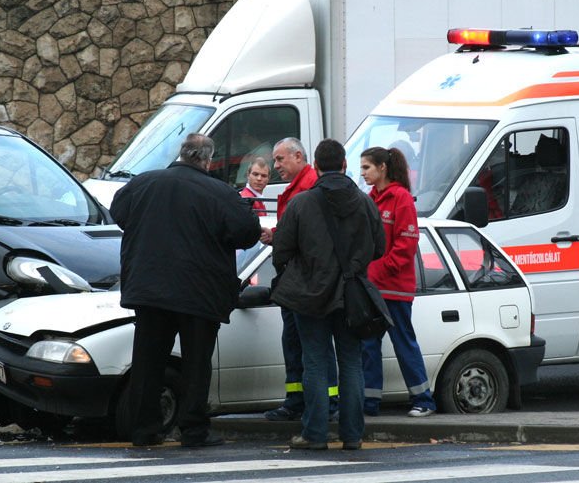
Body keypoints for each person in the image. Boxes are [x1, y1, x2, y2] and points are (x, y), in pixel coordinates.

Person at [110, 133, 261, 447]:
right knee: (196, 364)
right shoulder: (221, 193)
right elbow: (247, 233)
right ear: (207, 160)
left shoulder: (143, 184)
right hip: (198, 294)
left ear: (181, 154)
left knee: (148, 361)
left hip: (150, 289)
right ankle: (193, 430)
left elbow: (119, 212)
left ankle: (144, 429)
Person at [271, 138, 384, 449]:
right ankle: (352, 436)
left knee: (315, 363)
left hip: (310, 295)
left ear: (316, 167)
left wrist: (302, 270)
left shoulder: (301, 203)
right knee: (351, 363)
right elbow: (380, 247)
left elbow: (280, 252)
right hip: (351, 296)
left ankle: (315, 434)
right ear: (345, 165)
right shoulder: (365, 202)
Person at [262, 137, 340, 421]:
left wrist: (279, 238)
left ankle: (327, 404)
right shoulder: (298, 188)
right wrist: (278, 235)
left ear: (298, 156)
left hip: (305, 282)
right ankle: (296, 400)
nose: (275, 165)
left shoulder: (308, 188)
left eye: (280, 159)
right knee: (295, 342)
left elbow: (308, 237)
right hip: (295, 280)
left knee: (313, 345)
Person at [359, 146, 437, 417]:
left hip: (394, 288)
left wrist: (376, 271)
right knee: (368, 346)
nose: (363, 174)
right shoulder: (372, 199)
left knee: (403, 342)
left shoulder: (401, 199)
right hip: (374, 288)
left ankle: (423, 400)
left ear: (382, 168)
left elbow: (406, 245)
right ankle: (369, 403)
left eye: (367, 168)